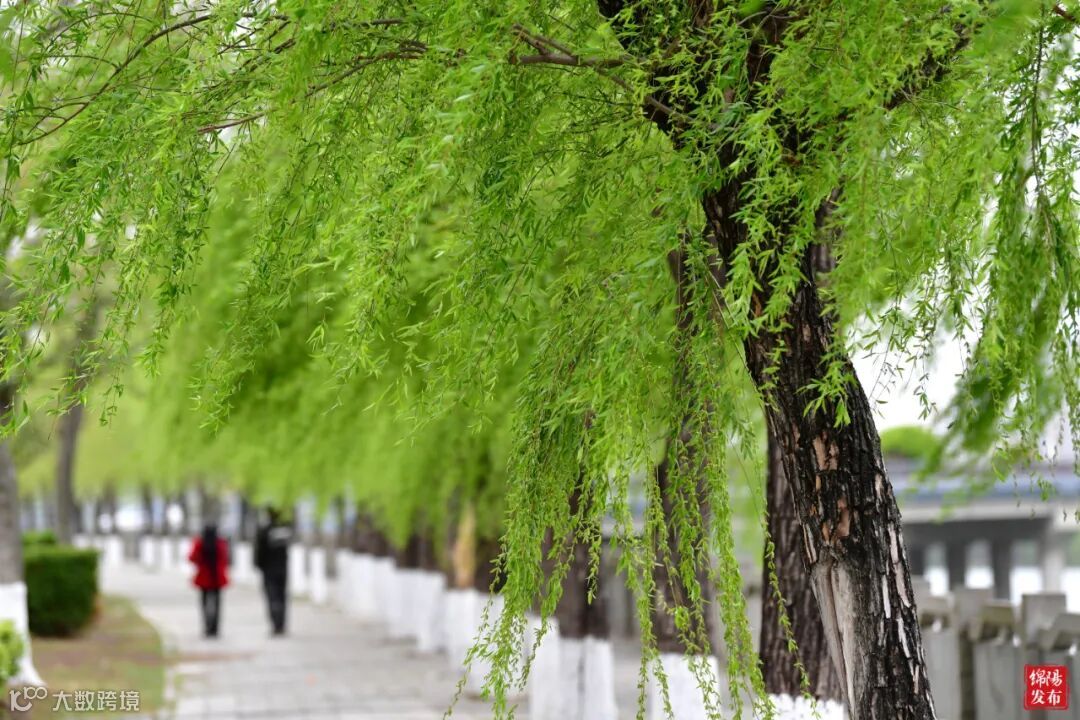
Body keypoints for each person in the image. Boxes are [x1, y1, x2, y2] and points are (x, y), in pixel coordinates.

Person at [254, 507, 292, 636]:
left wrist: (258, 565)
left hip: (269, 570)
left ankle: (275, 624)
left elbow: (259, 551)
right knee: (282, 597)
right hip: (282, 569)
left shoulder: (265, 530)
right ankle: (281, 624)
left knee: (272, 597)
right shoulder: (284, 530)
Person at [188, 523, 229, 637]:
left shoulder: (200, 542)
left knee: (204, 604)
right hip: (217, 577)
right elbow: (225, 558)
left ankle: (207, 626)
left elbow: (192, 557)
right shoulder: (220, 543)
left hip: (204, 577)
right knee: (217, 604)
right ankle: (215, 628)